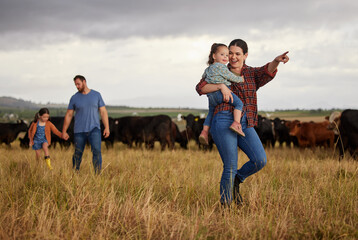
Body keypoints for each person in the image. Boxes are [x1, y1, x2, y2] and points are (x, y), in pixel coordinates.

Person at [196, 39, 289, 206]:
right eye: (230, 53)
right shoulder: (218, 70)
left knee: (259, 160)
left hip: (246, 123)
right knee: (230, 165)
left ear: (245, 55)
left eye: (237, 54)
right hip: (224, 119)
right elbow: (200, 87)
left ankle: (236, 180)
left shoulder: (252, 74)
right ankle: (226, 206)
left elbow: (266, 71)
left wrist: (276, 61)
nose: (232, 57)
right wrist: (220, 86)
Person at [199, 43, 245, 146]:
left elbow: (203, 79)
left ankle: (204, 132)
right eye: (222, 54)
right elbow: (230, 77)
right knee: (239, 104)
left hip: (211, 96)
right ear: (214, 56)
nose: (226, 57)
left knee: (211, 113)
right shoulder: (222, 67)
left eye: (226, 55)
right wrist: (240, 79)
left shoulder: (208, 69)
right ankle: (236, 124)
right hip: (221, 93)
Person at [62, 75, 110, 173]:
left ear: (84, 82)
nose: (77, 86)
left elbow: (103, 112)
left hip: (94, 129)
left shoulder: (96, 95)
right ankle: (75, 173)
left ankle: (97, 174)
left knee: (97, 151)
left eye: (78, 84)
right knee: (78, 153)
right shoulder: (74, 98)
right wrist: (64, 131)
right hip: (79, 131)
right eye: (75, 85)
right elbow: (69, 115)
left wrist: (107, 128)